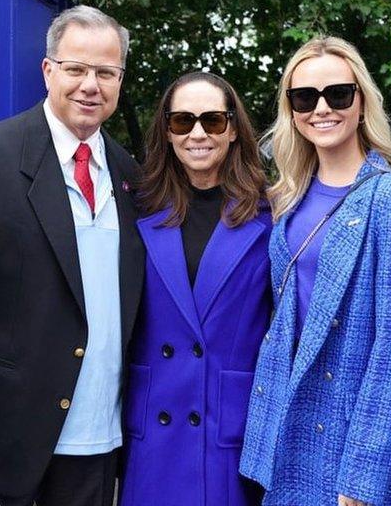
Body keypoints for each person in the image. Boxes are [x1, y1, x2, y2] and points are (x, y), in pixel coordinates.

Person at [0, 5, 144, 506]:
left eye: (105, 72)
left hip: (100, 436)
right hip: (3, 436)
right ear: (48, 70)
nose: (90, 84)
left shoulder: (131, 173)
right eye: (75, 69)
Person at [240, 36, 391, 505]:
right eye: (304, 97)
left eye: (338, 94)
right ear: (291, 109)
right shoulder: (287, 199)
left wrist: (362, 479)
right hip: (291, 425)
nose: (321, 108)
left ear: (362, 101)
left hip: (354, 436)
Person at [119, 71, 270, 506]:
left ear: (234, 130)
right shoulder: (137, 211)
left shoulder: (271, 216)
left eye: (213, 121)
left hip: (227, 427)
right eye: (183, 121)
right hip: (154, 425)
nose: (198, 134)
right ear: (167, 131)